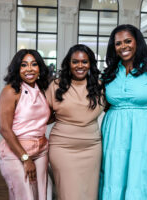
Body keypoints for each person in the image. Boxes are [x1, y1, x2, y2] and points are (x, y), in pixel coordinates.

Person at [99, 24, 147, 199]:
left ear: (137, 43)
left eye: (128, 41)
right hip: (114, 138)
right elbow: (100, 105)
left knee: (144, 178)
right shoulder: (108, 74)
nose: (123, 46)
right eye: (118, 43)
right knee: (115, 176)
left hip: (146, 137)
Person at [45, 44, 104, 200]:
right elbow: (44, 115)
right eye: (75, 61)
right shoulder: (56, 86)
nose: (80, 66)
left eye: (84, 62)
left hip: (92, 148)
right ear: (68, 64)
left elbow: (115, 110)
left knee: (89, 193)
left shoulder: (99, 87)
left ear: (90, 64)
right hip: (62, 148)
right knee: (68, 193)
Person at [0, 49, 50, 200]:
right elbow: (5, 129)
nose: (29, 69)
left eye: (34, 64)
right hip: (16, 151)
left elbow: (42, 117)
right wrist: (25, 158)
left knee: (41, 196)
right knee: (25, 196)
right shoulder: (11, 91)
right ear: (17, 69)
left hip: (41, 150)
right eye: (24, 65)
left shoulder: (42, 90)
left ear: (40, 67)